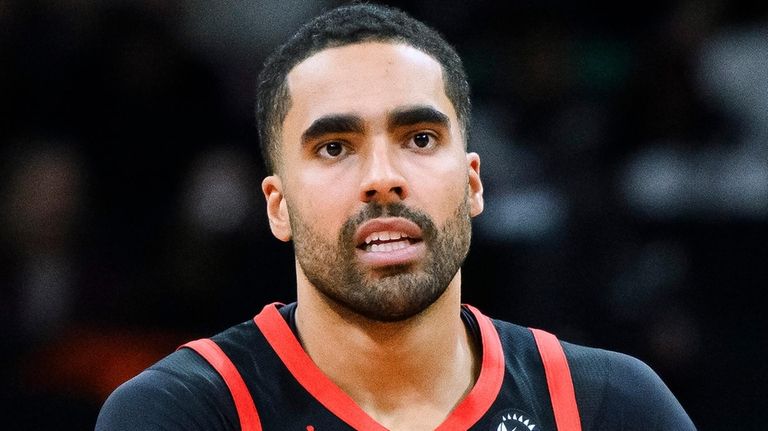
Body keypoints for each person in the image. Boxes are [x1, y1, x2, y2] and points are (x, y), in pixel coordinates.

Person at [96, 3, 696, 430]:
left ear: (472, 183)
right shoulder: (185, 411)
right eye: (334, 147)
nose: (383, 176)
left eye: (420, 138)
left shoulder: (611, 405)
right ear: (277, 207)